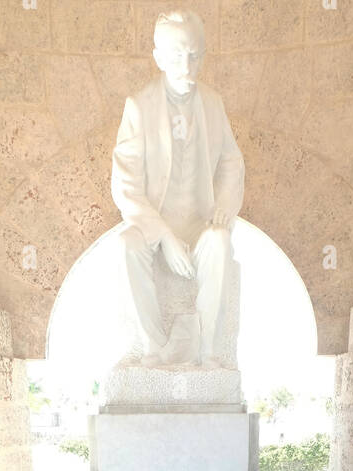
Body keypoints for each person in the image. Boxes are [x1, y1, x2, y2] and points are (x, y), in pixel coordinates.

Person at [110, 10, 245, 367]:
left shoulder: (213, 103)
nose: (186, 65)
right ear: (158, 58)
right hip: (155, 226)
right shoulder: (139, 107)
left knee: (219, 241)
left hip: (200, 224)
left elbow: (231, 162)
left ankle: (209, 353)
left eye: (195, 54)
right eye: (176, 55)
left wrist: (226, 204)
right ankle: (153, 347)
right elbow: (125, 187)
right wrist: (165, 237)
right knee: (127, 244)